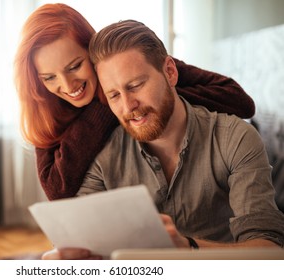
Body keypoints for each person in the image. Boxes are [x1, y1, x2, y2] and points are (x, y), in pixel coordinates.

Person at [42, 19, 284, 260]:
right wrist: (66, 260)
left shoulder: (236, 138)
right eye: (114, 95)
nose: (128, 106)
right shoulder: (102, 154)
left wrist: (188, 248)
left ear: (170, 72)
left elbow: (270, 254)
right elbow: (81, 240)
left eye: (136, 85)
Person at [14, 3, 255, 201]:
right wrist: (106, 107)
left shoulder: (134, 66)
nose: (67, 86)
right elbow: (57, 189)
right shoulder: (45, 106)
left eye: (75, 66)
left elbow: (241, 102)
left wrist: (160, 95)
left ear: (92, 51)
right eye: (49, 77)